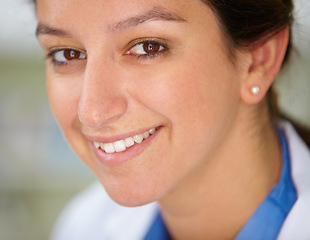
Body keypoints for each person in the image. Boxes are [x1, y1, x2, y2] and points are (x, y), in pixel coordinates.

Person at [34, 0, 310, 239]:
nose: (92, 112)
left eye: (147, 47)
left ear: (257, 61)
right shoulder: (82, 226)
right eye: (66, 54)